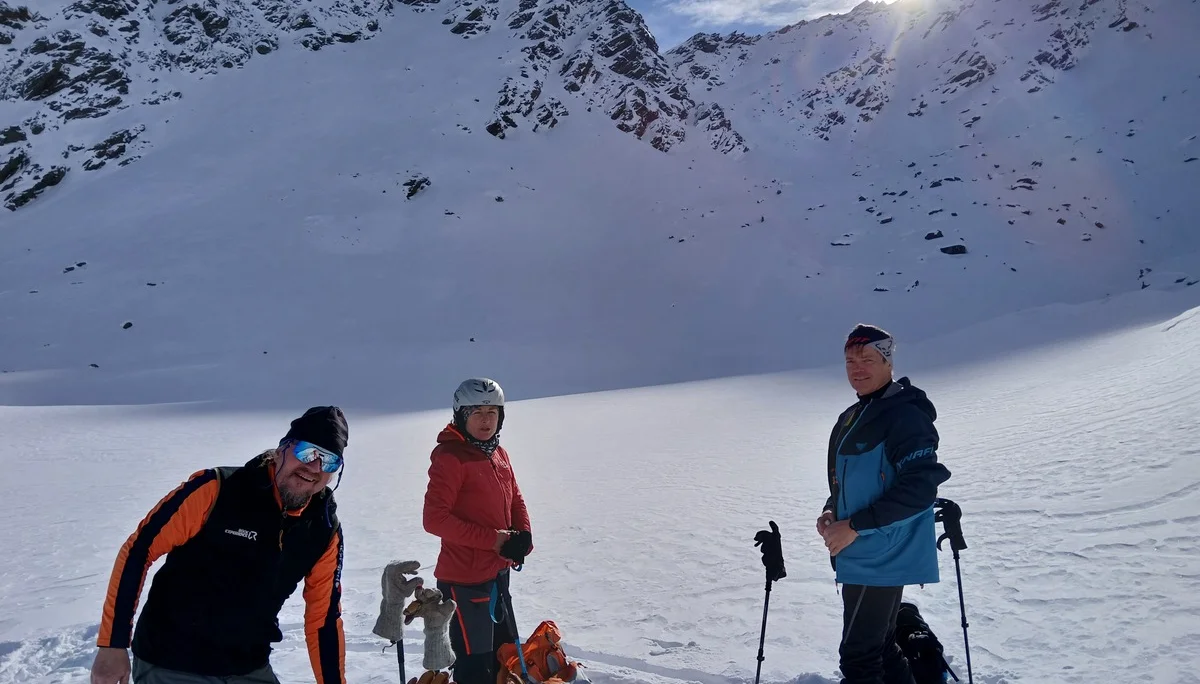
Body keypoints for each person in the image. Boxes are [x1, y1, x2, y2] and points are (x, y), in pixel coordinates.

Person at [89, 406, 350, 684]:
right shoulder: (216, 490)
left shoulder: (323, 529)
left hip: (248, 667)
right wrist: (113, 644)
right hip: (172, 663)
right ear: (282, 449)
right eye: (307, 452)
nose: (314, 467)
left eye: (329, 461)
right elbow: (138, 552)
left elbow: (323, 616)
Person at [817, 325, 951, 684]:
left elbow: (921, 486)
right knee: (879, 647)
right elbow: (848, 479)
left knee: (859, 658)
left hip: (879, 551)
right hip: (862, 547)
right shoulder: (853, 416)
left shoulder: (904, 415)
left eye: (867, 359)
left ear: (888, 361)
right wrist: (833, 510)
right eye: (850, 361)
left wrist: (855, 525)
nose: (857, 368)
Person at [422, 378, 533, 684]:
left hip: (497, 571)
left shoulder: (497, 452)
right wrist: (496, 540)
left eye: (492, 412)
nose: (486, 420)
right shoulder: (450, 457)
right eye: (477, 412)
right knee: (475, 666)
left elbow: (515, 495)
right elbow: (435, 519)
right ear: (461, 414)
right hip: (464, 581)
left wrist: (522, 535)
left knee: (502, 654)